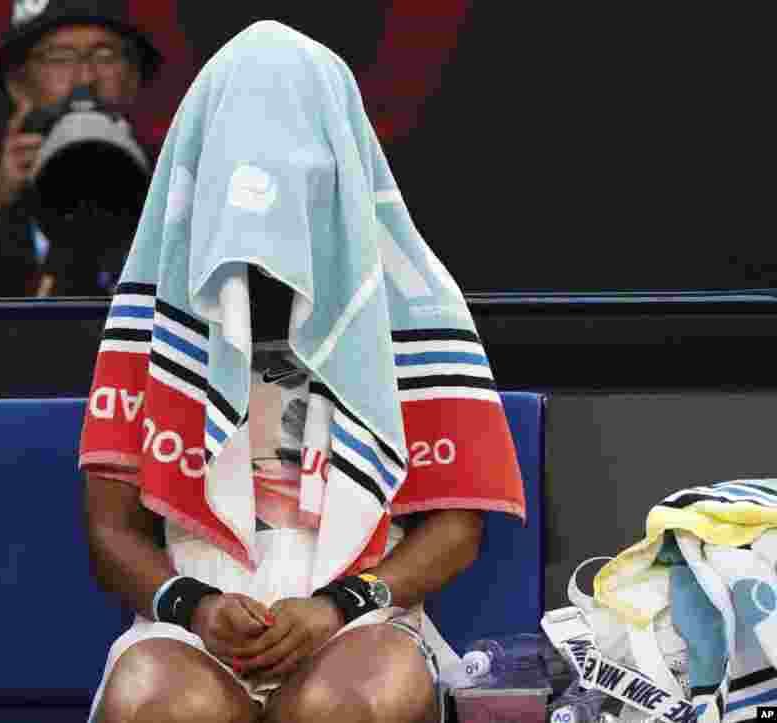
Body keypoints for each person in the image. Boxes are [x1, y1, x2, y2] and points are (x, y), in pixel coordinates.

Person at [79, 20, 528, 723]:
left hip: (364, 620)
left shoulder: (413, 302)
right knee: (159, 706)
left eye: (296, 174)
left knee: (337, 707)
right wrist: (192, 605)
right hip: (191, 628)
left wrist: (339, 604)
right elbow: (112, 527)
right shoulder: (156, 308)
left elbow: (458, 527)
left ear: (340, 167)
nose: (267, 199)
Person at [0, 0, 162, 297]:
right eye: (60, 57)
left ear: (133, 78)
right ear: (20, 84)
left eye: (105, 55)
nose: (85, 78)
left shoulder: (170, 177)